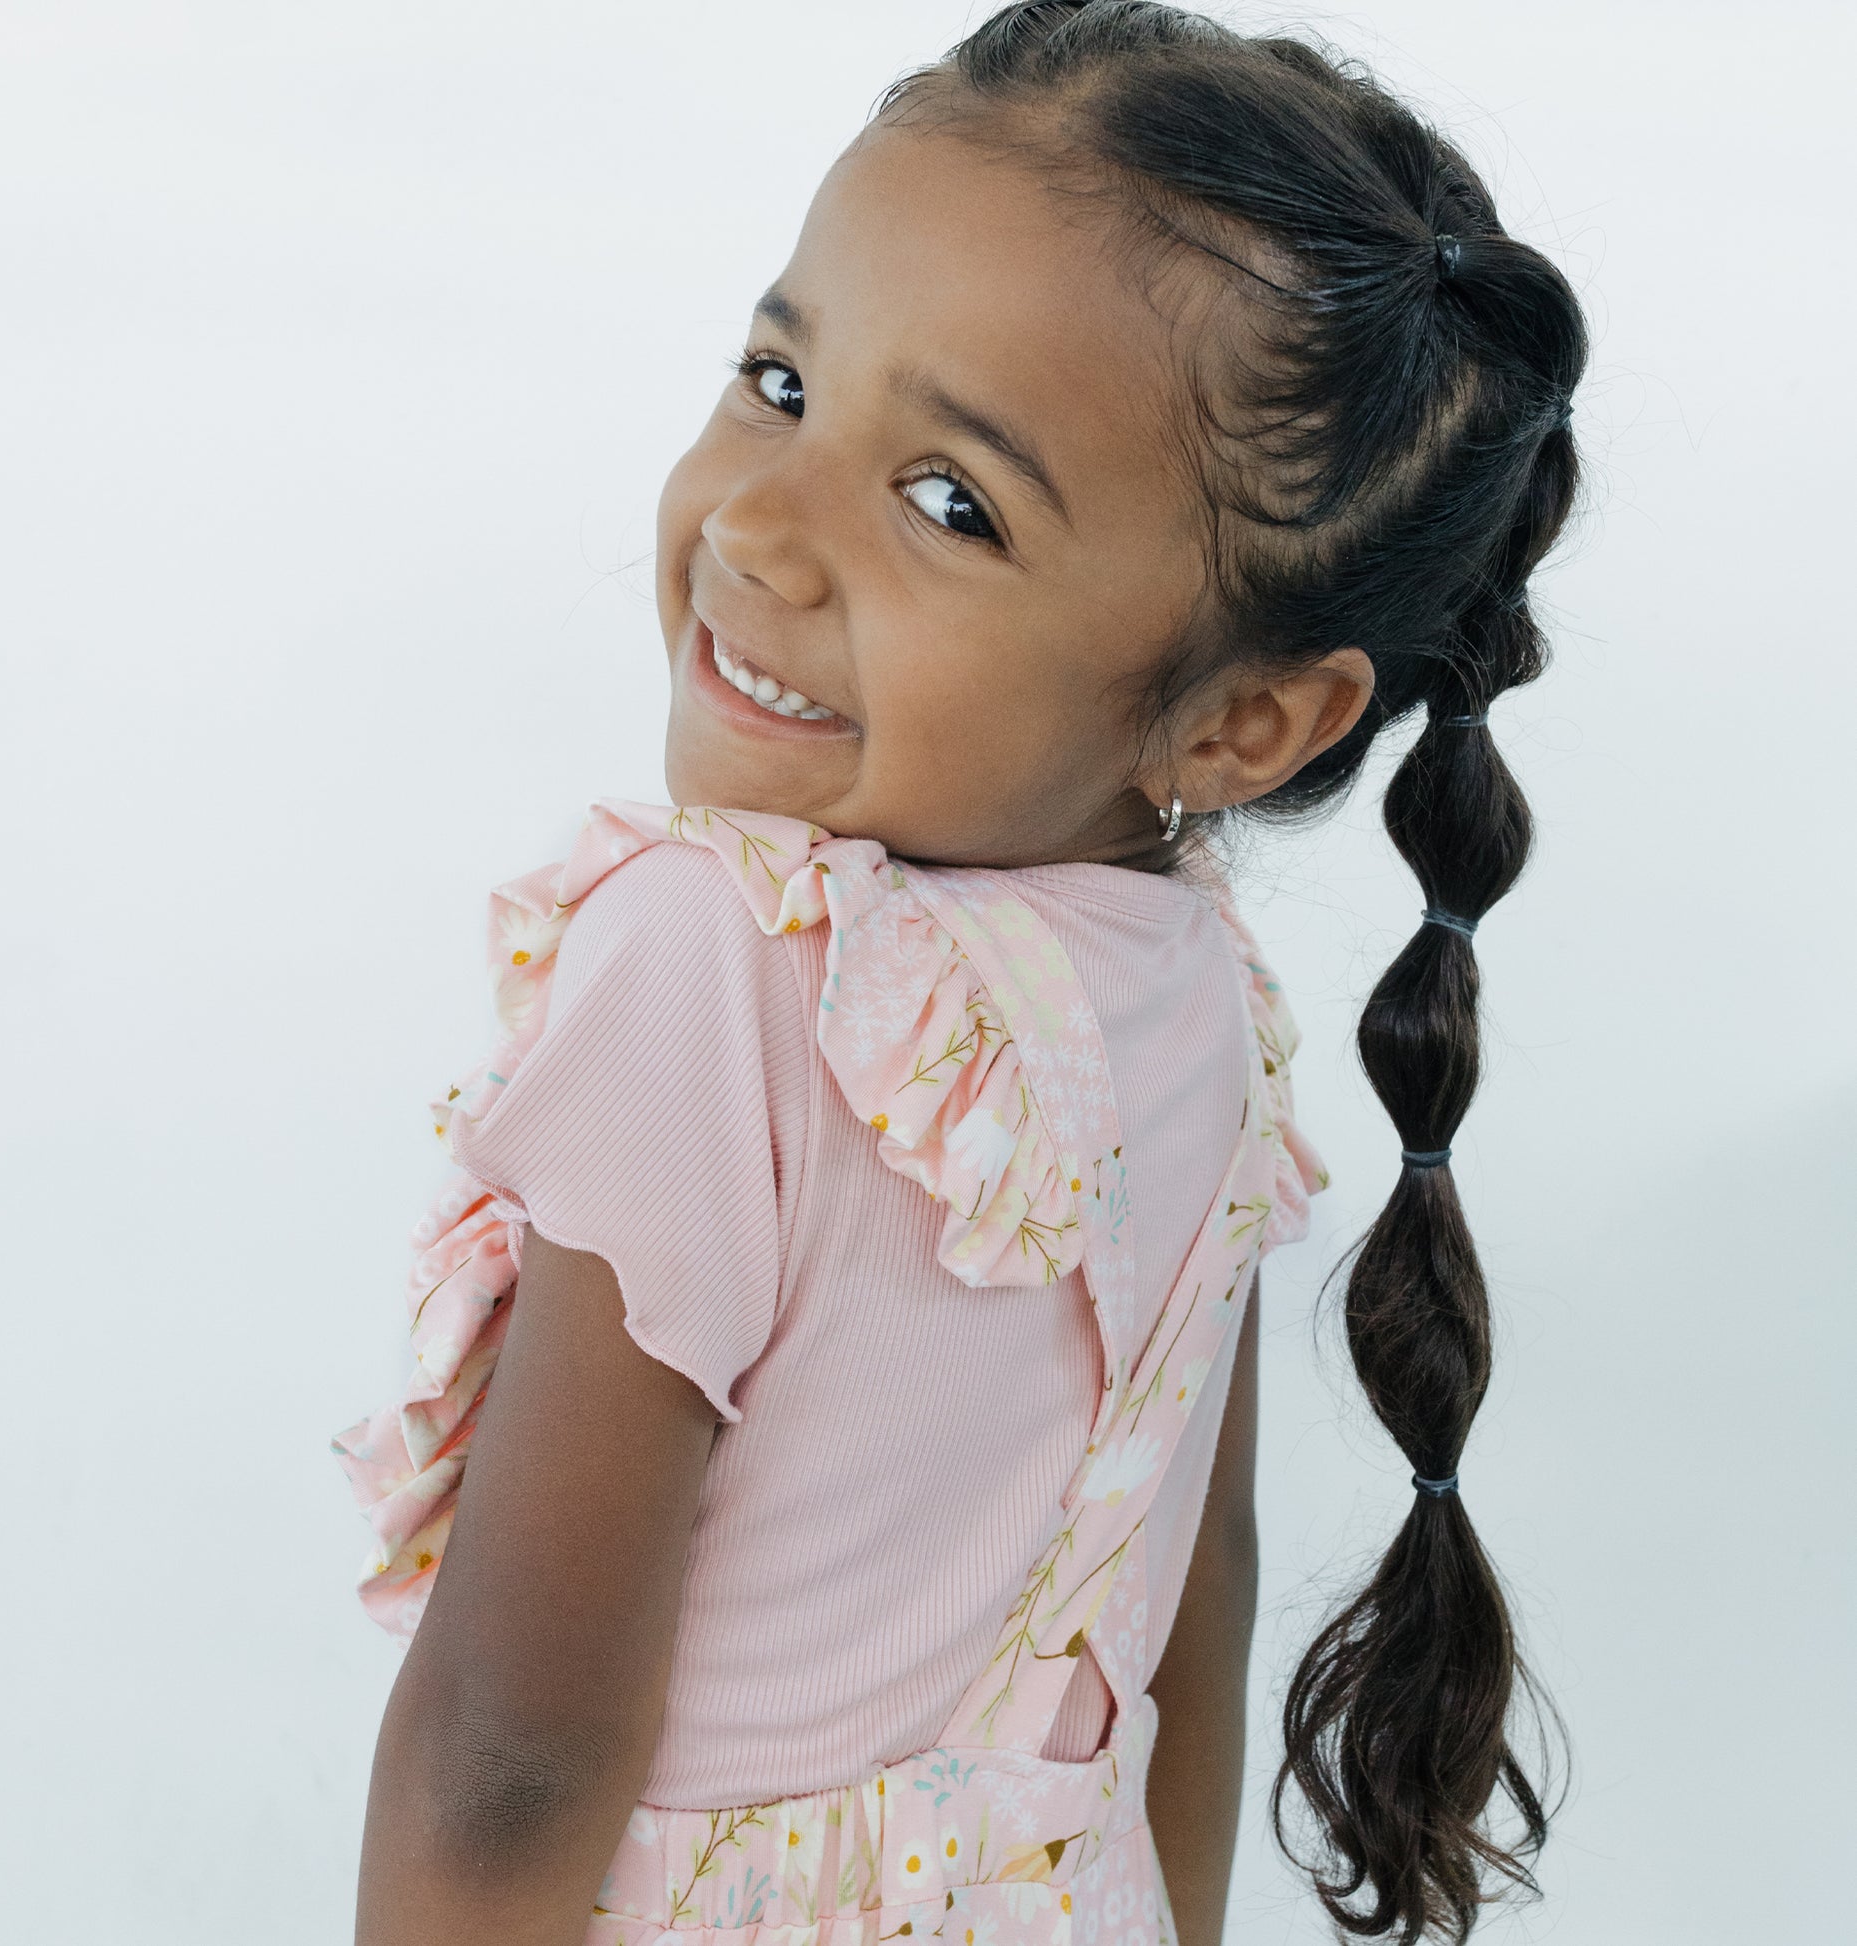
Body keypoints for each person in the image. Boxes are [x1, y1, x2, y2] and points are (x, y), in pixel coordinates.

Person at [332, 5, 1588, 1942]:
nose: (760, 525)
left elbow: (506, 1745)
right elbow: (1197, 1597)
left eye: (950, 504)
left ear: (1247, 720)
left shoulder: (715, 963)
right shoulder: (1201, 1005)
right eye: (777, 379)